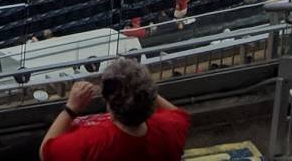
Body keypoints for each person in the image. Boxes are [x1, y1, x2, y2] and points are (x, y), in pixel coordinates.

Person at [38, 56, 190, 161]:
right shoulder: (172, 127)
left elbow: (46, 152)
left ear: (108, 101)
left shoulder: (90, 143)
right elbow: (176, 113)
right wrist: (139, 84)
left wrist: (70, 108)